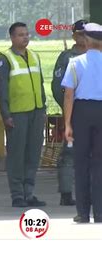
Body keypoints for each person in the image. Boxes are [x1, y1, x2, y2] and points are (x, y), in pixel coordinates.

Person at [0, 22, 47, 208]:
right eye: (20, 35)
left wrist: (43, 108)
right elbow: (1, 90)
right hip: (17, 114)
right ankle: (17, 194)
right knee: (17, 155)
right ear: (12, 37)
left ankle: (29, 192)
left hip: (36, 111)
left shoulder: (34, 56)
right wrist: (6, 114)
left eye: (27, 34)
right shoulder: (5, 58)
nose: (25, 37)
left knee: (33, 154)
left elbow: (40, 84)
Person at [62, 22, 102, 224]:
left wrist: (68, 124)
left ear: (86, 42)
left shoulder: (75, 63)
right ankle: (101, 212)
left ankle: (83, 213)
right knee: (100, 163)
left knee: (81, 163)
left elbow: (69, 96)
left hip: (82, 113)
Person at [51, 19, 88, 206]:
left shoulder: (97, 55)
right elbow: (58, 88)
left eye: (87, 33)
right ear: (74, 35)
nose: (84, 37)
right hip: (73, 113)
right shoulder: (67, 57)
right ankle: (66, 192)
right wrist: (69, 110)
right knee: (69, 153)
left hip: (94, 112)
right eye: (80, 34)